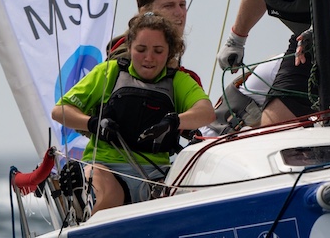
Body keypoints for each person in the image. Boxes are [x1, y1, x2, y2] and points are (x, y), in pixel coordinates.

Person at [52, 12, 215, 214]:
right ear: (129, 47)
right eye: (141, 49)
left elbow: (206, 113)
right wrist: (93, 124)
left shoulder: (177, 81)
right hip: (106, 168)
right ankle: (85, 203)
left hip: (155, 177)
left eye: (158, 51)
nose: (149, 58)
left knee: (182, 196)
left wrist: (174, 121)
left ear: (169, 52)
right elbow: (60, 111)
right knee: (108, 193)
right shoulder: (109, 72)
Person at [108, 0, 202, 85]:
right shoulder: (120, 65)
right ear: (145, 12)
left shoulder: (184, 77)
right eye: (169, 6)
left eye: (182, 5)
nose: (179, 12)